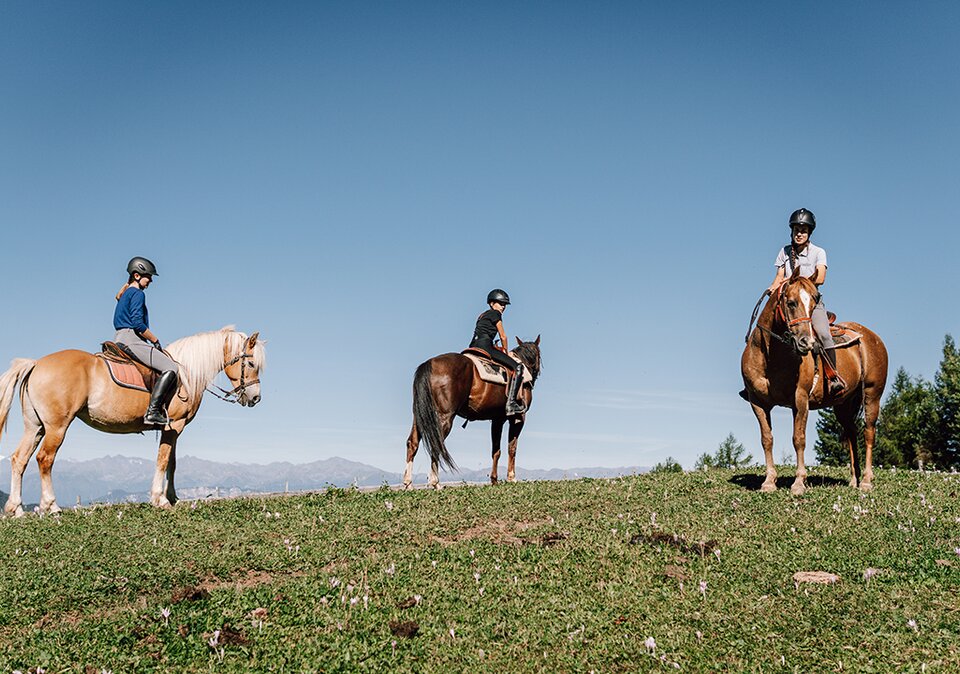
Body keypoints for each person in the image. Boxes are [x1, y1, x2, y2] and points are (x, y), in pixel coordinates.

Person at [767, 208, 845, 395]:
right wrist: (772, 287)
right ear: (792, 231)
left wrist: (796, 281)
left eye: (803, 230)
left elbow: (821, 278)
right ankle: (757, 380)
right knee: (764, 331)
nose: (799, 233)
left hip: (810, 303)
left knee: (824, 335)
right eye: (796, 230)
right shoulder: (784, 252)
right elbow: (779, 276)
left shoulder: (818, 252)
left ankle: (833, 377)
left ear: (809, 233)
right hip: (788, 302)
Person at [113, 256, 180, 425]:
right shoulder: (137, 294)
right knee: (171, 367)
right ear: (137, 275)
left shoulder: (126, 293)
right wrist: (155, 340)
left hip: (119, 337)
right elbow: (138, 324)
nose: (150, 280)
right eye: (148, 276)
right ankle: (153, 411)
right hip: (131, 339)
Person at [470, 289, 526, 416]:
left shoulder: (482, 315)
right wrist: (505, 351)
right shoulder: (496, 314)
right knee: (518, 367)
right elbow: (503, 336)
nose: (503, 307)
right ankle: (511, 403)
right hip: (485, 346)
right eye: (500, 303)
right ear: (491, 303)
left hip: (473, 346)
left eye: (504, 304)